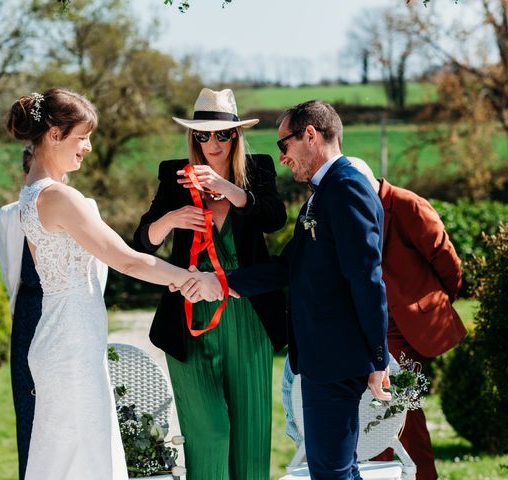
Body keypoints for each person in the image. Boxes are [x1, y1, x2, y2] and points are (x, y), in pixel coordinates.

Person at [6, 87, 222, 480]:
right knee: (81, 461)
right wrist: (191, 280)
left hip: (66, 338)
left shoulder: (31, 195)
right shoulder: (59, 198)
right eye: (82, 136)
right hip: (69, 345)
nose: (88, 147)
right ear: (53, 134)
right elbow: (125, 258)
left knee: (70, 459)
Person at [183, 100, 393, 480]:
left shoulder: (346, 189)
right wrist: (224, 283)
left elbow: (367, 278)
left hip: (336, 357)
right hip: (321, 358)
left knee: (332, 472)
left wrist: (378, 358)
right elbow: (288, 265)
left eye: (284, 145)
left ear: (310, 135)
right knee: (335, 470)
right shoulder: (325, 191)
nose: (282, 158)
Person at [133, 87, 288, 480]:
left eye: (222, 134)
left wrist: (231, 191)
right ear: (192, 136)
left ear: (235, 135)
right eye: (203, 135)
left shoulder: (258, 168)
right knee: (211, 435)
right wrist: (171, 220)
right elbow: (141, 241)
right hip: (188, 316)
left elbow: (274, 218)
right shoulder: (175, 174)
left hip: (247, 314)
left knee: (251, 440)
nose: (212, 143)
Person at [349, 157, 465, 480]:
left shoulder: (408, 205)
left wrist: (431, 305)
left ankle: (420, 475)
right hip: (372, 329)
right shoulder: (350, 213)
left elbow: (448, 262)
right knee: (377, 414)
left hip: (410, 329)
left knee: (402, 415)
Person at [0, 145, 108, 480]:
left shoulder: (84, 206)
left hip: (69, 311)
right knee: (29, 407)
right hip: (28, 309)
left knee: (68, 411)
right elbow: (9, 269)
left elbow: (98, 267)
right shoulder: (9, 213)